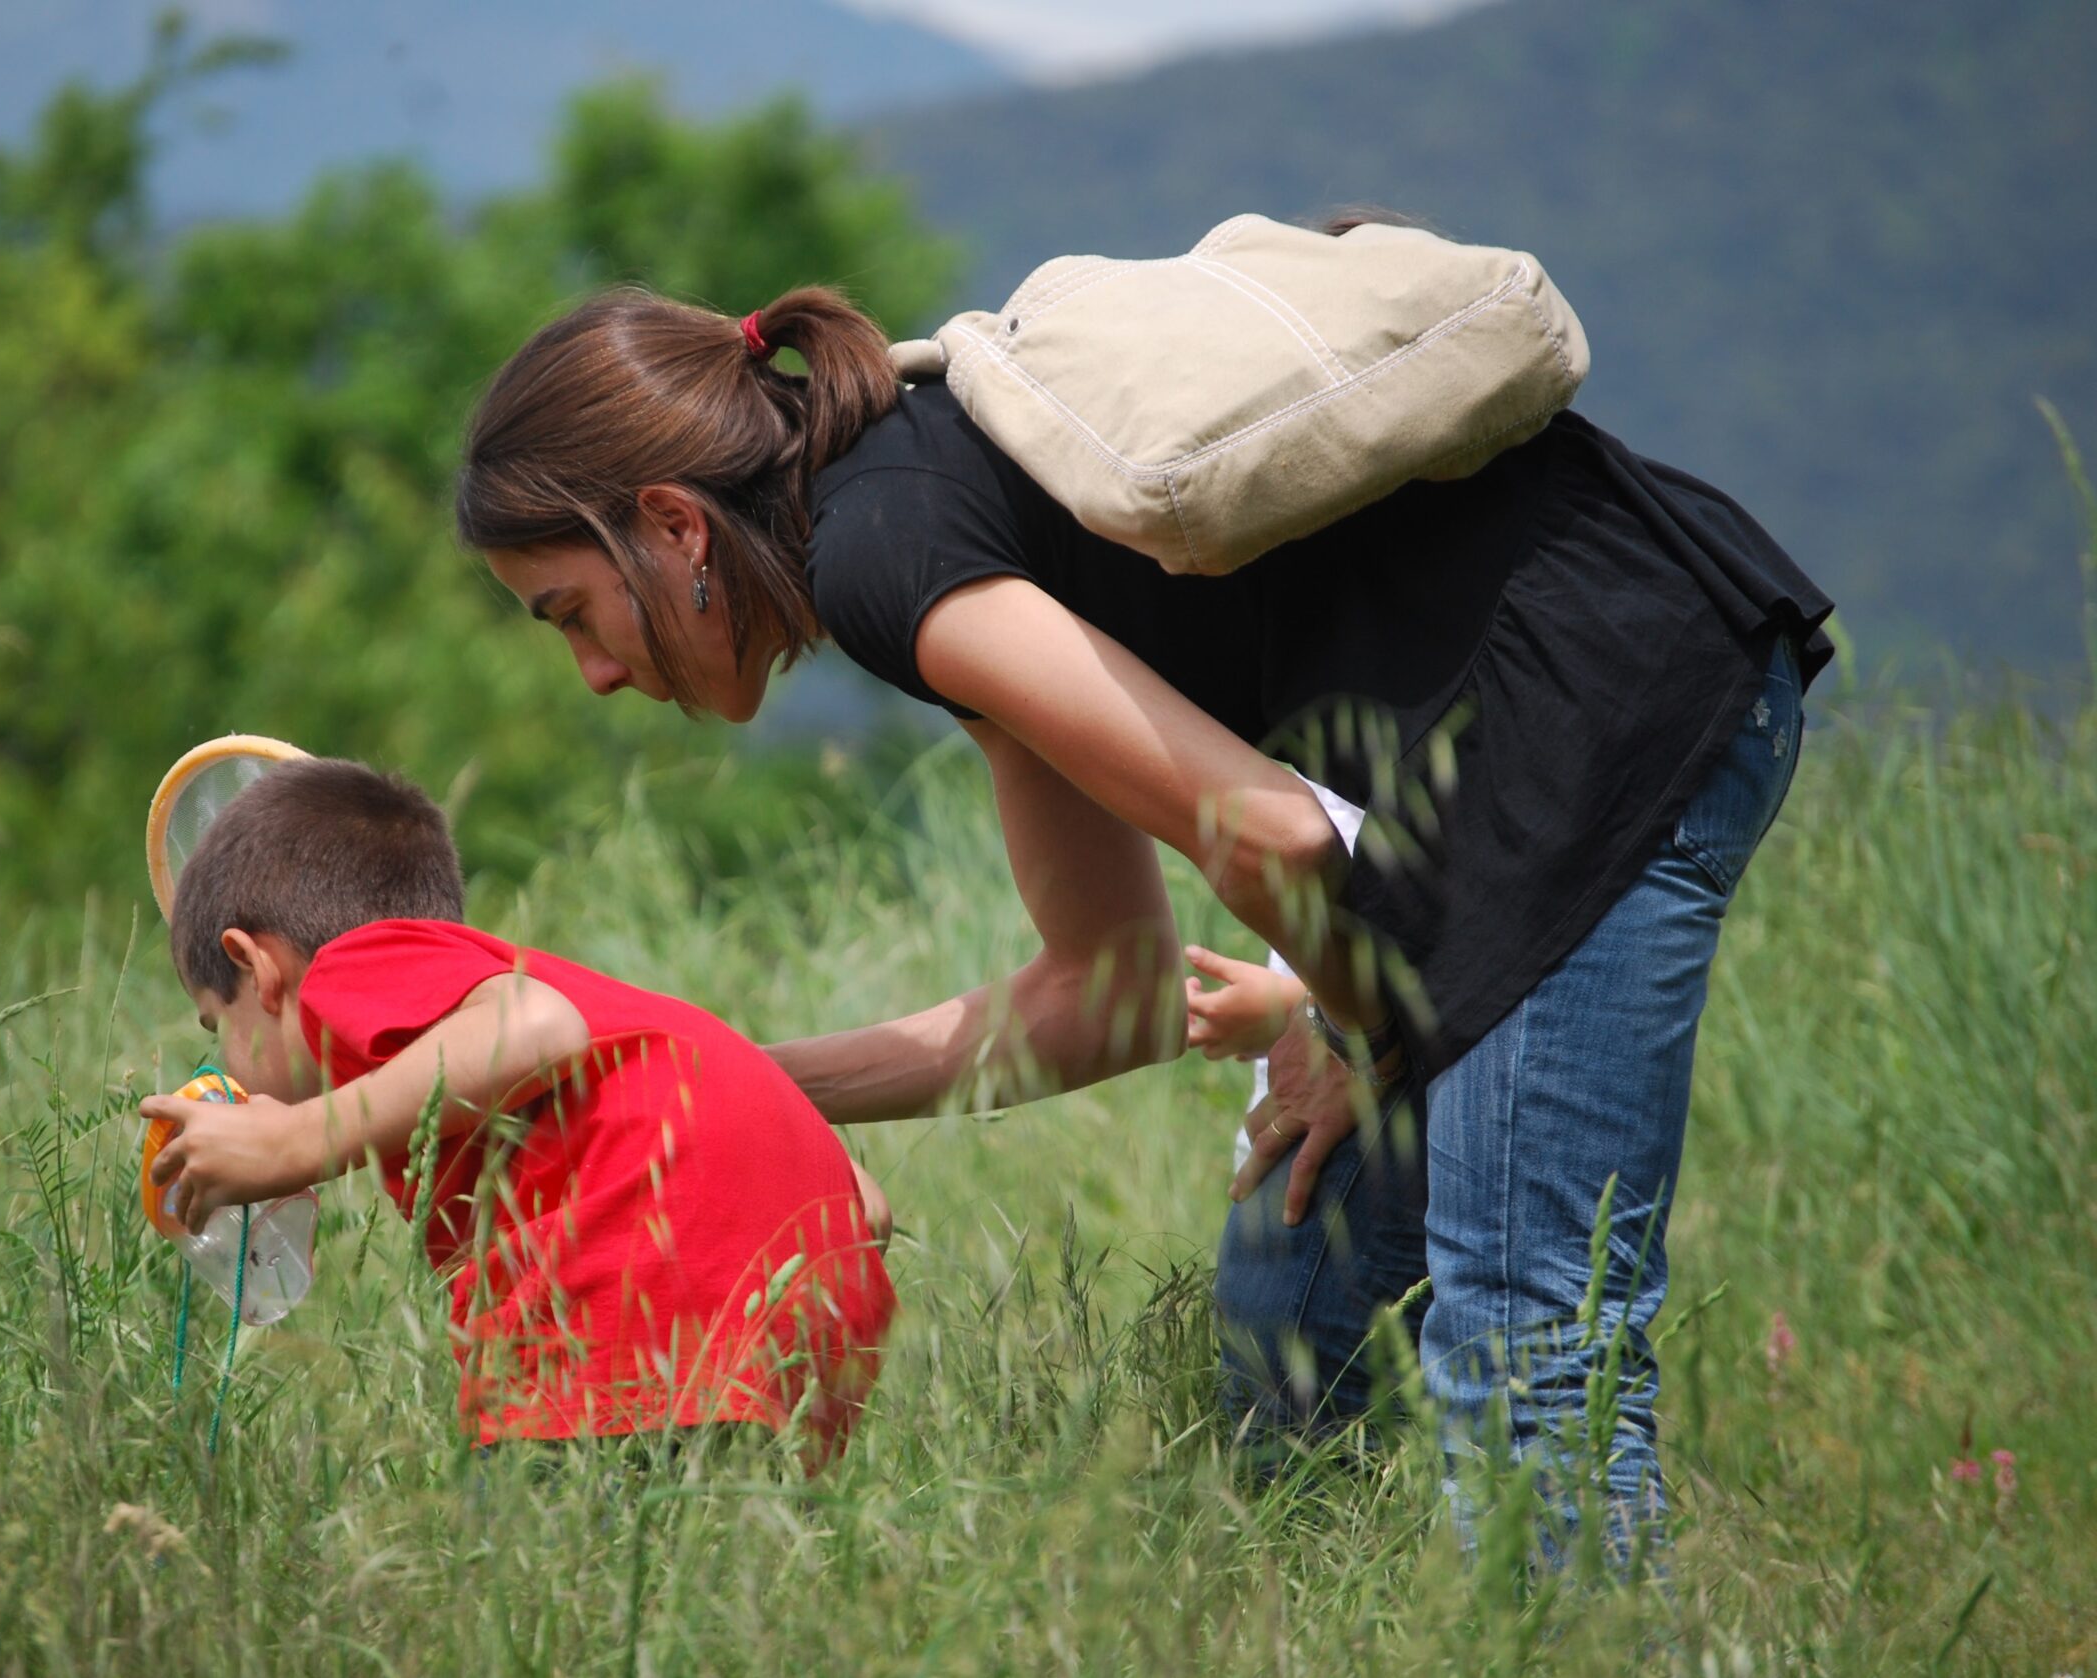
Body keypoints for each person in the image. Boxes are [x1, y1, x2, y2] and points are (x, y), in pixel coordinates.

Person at [449, 243, 1834, 1561]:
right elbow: (1104, 993)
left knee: (1529, 1357)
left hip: (1598, 719)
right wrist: (722, 1088)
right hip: (1537, 733)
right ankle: (1332, 1645)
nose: (593, 671)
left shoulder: (883, 558)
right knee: (1298, 1302)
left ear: (676, 526)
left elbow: (1274, 837)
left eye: (572, 610)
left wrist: (1357, 1029)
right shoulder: (903, 527)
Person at [138, 757, 896, 1465]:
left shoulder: (352, 963)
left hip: (622, 1347)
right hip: (802, 1341)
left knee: (525, 1572)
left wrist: (293, 1141)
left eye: (216, 1025)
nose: (224, 1064)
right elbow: (868, 1207)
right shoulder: (540, 991)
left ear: (254, 965)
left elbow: (538, 1031)